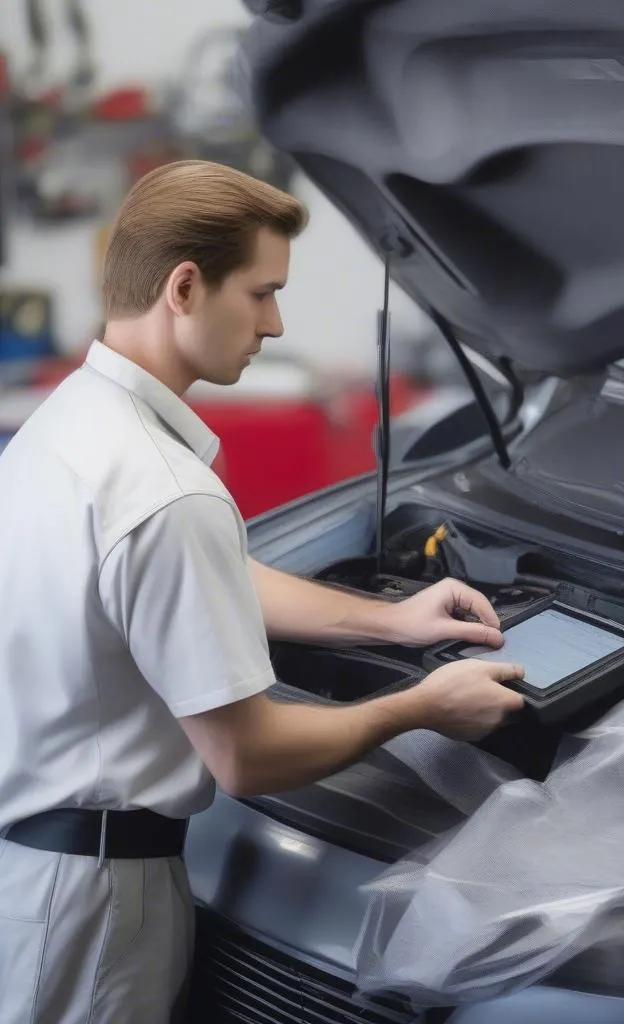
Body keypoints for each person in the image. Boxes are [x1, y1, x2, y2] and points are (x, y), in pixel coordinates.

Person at [0, 160, 524, 1024]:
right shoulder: (167, 491)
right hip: (92, 912)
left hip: (35, 866)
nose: (276, 324)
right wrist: (424, 706)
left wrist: (389, 621)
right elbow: (248, 757)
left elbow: (196, 580)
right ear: (184, 286)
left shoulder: (65, 425)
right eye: (262, 292)